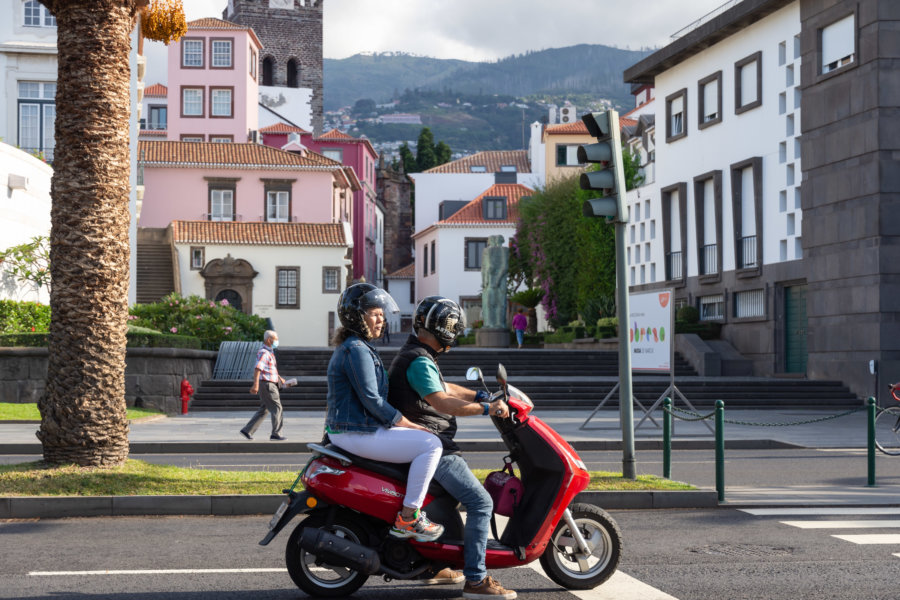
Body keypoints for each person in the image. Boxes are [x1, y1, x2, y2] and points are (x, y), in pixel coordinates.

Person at [388, 296, 517, 600]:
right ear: (445, 329)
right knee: (481, 503)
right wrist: (488, 410)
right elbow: (443, 401)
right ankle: (476, 578)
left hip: (429, 440)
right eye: (454, 327)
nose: (455, 333)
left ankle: (436, 566)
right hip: (435, 446)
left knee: (447, 503)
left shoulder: (417, 355)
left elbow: (445, 388)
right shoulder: (419, 359)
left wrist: (481, 395)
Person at [325, 283, 446, 543]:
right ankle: (408, 517)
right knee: (431, 444)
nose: (381, 319)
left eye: (382, 313)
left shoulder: (357, 346)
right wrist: (410, 425)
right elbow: (373, 401)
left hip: (352, 429)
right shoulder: (356, 349)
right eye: (374, 313)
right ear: (357, 316)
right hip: (356, 431)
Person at [240, 330, 287, 441]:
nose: (277, 341)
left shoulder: (269, 352)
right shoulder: (264, 352)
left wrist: (279, 377)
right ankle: (276, 434)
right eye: (275, 339)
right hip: (267, 384)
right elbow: (258, 368)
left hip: (268, 383)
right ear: (268, 340)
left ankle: (247, 430)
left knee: (265, 409)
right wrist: (255, 385)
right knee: (277, 407)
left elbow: (268, 369)